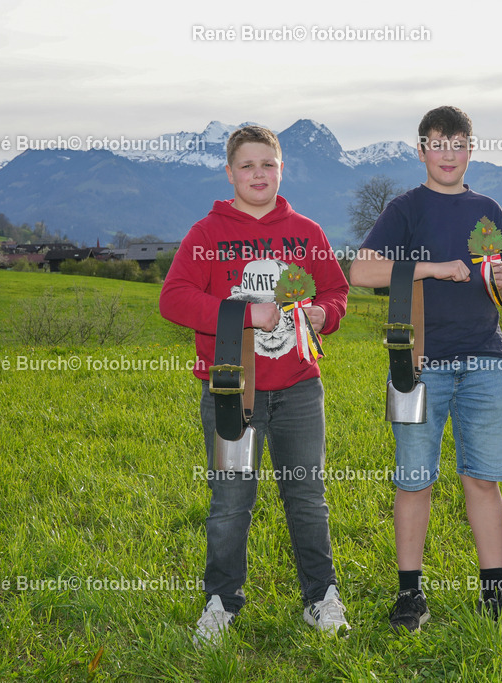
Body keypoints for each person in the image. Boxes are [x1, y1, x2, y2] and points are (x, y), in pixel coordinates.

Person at [159, 124, 350, 646]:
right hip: (231, 390)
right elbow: (173, 299)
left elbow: (336, 291)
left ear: (281, 169)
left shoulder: (307, 232)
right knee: (230, 500)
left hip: (299, 388)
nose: (258, 174)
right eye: (247, 165)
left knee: (307, 496)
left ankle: (321, 597)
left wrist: (323, 314)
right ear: (230, 173)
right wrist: (246, 313)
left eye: (268, 164)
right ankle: (222, 602)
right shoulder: (207, 234)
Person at [349, 106, 502, 636]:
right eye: (438, 144)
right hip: (419, 363)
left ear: (470, 149)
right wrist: (432, 268)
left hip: (485, 360)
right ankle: (410, 593)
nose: (448, 154)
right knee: (414, 482)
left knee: (484, 479)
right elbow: (362, 270)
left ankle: (494, 593)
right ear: (422, 150)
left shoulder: (487, 209)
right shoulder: (406, 208)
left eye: (458, 144)